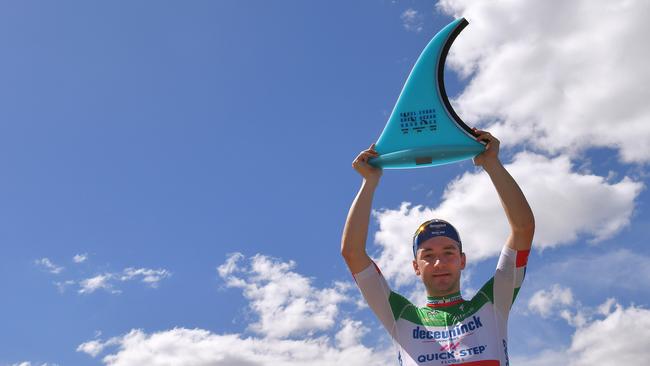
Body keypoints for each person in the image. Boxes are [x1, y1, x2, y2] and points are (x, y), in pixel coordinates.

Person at [341, 129, 534, 365]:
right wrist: (369, 182)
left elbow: (523, 230)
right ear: (416, 266)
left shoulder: (493, 302)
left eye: (448, 253)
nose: (439, 263)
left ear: (462, 260)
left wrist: (491, 164)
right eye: (428, 255)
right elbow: (352, 254)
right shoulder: (400, 315)